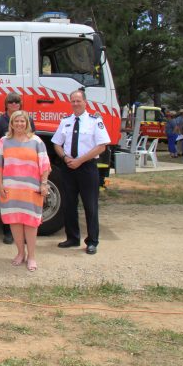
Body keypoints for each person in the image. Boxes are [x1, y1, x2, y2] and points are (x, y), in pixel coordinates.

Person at [52, 89, 110, 255]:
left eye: (78, 101)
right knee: (69, 204)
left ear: (85, 102)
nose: (75, 104)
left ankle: (92, 241)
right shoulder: (66, 121)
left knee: (90, 205)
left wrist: (80, 160)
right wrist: (64, 158)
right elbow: (56, 143)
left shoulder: (94, 121)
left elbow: (101, 146)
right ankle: (72, 238)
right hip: (69, 167)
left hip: (87, 168)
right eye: (73, 101)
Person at [0, 111, 51, 272]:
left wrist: (44, 184)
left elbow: (45, 164)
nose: (19, 124)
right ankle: (20, 253)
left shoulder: (36, 141)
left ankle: (31, 256)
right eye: (16, 121)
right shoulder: (4, 141)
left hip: (31, 190)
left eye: (22, 121)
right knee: (15, 221)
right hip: (11, 189)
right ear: (11, 123)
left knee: (31, 223)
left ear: (27, 123)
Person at [0, 92, 36, 244]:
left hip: (25, 169)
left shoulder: (28, 120)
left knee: (24, 201)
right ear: (6, 104)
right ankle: (8, 232)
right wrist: (0, 168)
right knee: (6, 200)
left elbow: (32, 142)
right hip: (8, 169)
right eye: (11, 102)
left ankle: (25, 233)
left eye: (16, 102)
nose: (14, 104)